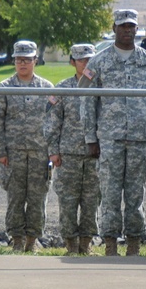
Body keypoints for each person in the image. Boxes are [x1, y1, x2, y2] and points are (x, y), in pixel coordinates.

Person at [81, 9, 146, 256]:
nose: (127, 30)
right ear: (114, 28)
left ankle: (135, 244)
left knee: (136, 194)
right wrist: (91, 138)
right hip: (109, 140)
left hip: (140, 139)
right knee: (110, 193)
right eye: (122, 26)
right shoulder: (98, 62)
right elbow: (86, 100)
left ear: (137, 29)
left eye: (131, 27)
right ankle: (110, 244)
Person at [0, 40, 54, 253]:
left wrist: (52, 151)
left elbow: (54, 123)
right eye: (18, 59)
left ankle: (32, 241)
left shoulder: (47, 88)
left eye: (27, 59)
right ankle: (16, 240)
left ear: (36, 60)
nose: (22, 63)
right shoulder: (4, 88)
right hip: (13, 154)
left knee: (37, 198)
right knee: (15, 198)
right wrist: (0, 152)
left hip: (39, 153)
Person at [44, 44, 99, 255]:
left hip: (94, 155)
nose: (86, 63)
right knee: (67, 201)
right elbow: (51, 123)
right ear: (72, 62)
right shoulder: (63, 88)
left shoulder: (101, 86)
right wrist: (53, 150)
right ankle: (71, 245)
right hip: (68, 155)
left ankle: (86, 244)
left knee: (91, 201)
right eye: (81, 60)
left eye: (89, 59)